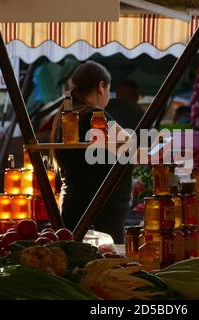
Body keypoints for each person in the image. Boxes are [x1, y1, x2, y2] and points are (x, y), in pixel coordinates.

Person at [51, 61, 133, 244]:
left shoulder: (66, 116)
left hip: (73, 205)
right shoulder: (96, 116)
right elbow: (130, 147)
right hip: (101, 209)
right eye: (109, 90)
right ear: (101, 86)